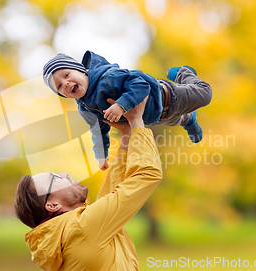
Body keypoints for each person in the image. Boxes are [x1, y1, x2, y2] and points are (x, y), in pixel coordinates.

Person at [14, 96, 162, 271]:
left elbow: (111, 194)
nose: (65, 174)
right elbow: (147, 174)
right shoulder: (82, 227)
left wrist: (127, 136)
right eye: (55, 178)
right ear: (53, 205)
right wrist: (137, 121)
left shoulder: (67, 235)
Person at [42, 51, 212, 171]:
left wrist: (121, 105)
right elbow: (98, 130)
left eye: (66, 75)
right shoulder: (85, 108)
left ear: (80, 70)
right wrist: (101, 155)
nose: (65, 83)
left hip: (168, 96)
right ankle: (190, 121)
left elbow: (140, 84)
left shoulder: (108, 77)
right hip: (157, 117)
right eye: (58, 86)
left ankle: (183, 73)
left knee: (205, 95)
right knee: (180, 119)